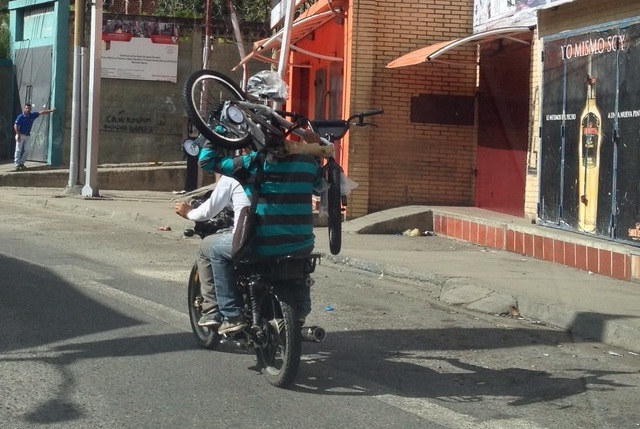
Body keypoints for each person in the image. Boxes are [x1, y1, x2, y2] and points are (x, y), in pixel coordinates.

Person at [198, 143, 324, 335]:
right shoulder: (308, 164)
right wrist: (315, 149)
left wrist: (213, 134)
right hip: (302, 244)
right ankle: (301, 309)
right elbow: (319, 186)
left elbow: (206, 161)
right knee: (298, 260)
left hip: (262, 244)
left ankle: (231, 315)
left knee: (211, 248)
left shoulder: (251, 163)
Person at [175, 174, 250, 329]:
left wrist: (188, 212)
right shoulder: (294, 170)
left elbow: (206, 212)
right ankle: (300, 311)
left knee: (209, 248)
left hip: (251, 241)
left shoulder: (235, 175)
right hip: (296, 242)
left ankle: (220, 311)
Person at [14, 104, 56, 171]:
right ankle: (16, 165)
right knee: (18, 150)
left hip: (27, 136)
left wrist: (51, 111)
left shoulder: (32, 115)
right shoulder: (21, 117)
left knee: (27, 149)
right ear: (24, 109)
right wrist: (18, 134)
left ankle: (21, 163)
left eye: (29, 108)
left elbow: (42, 112)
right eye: (26, 108)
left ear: (31, 109)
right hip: (20, 135)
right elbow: (15, 125)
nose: (28, 110)